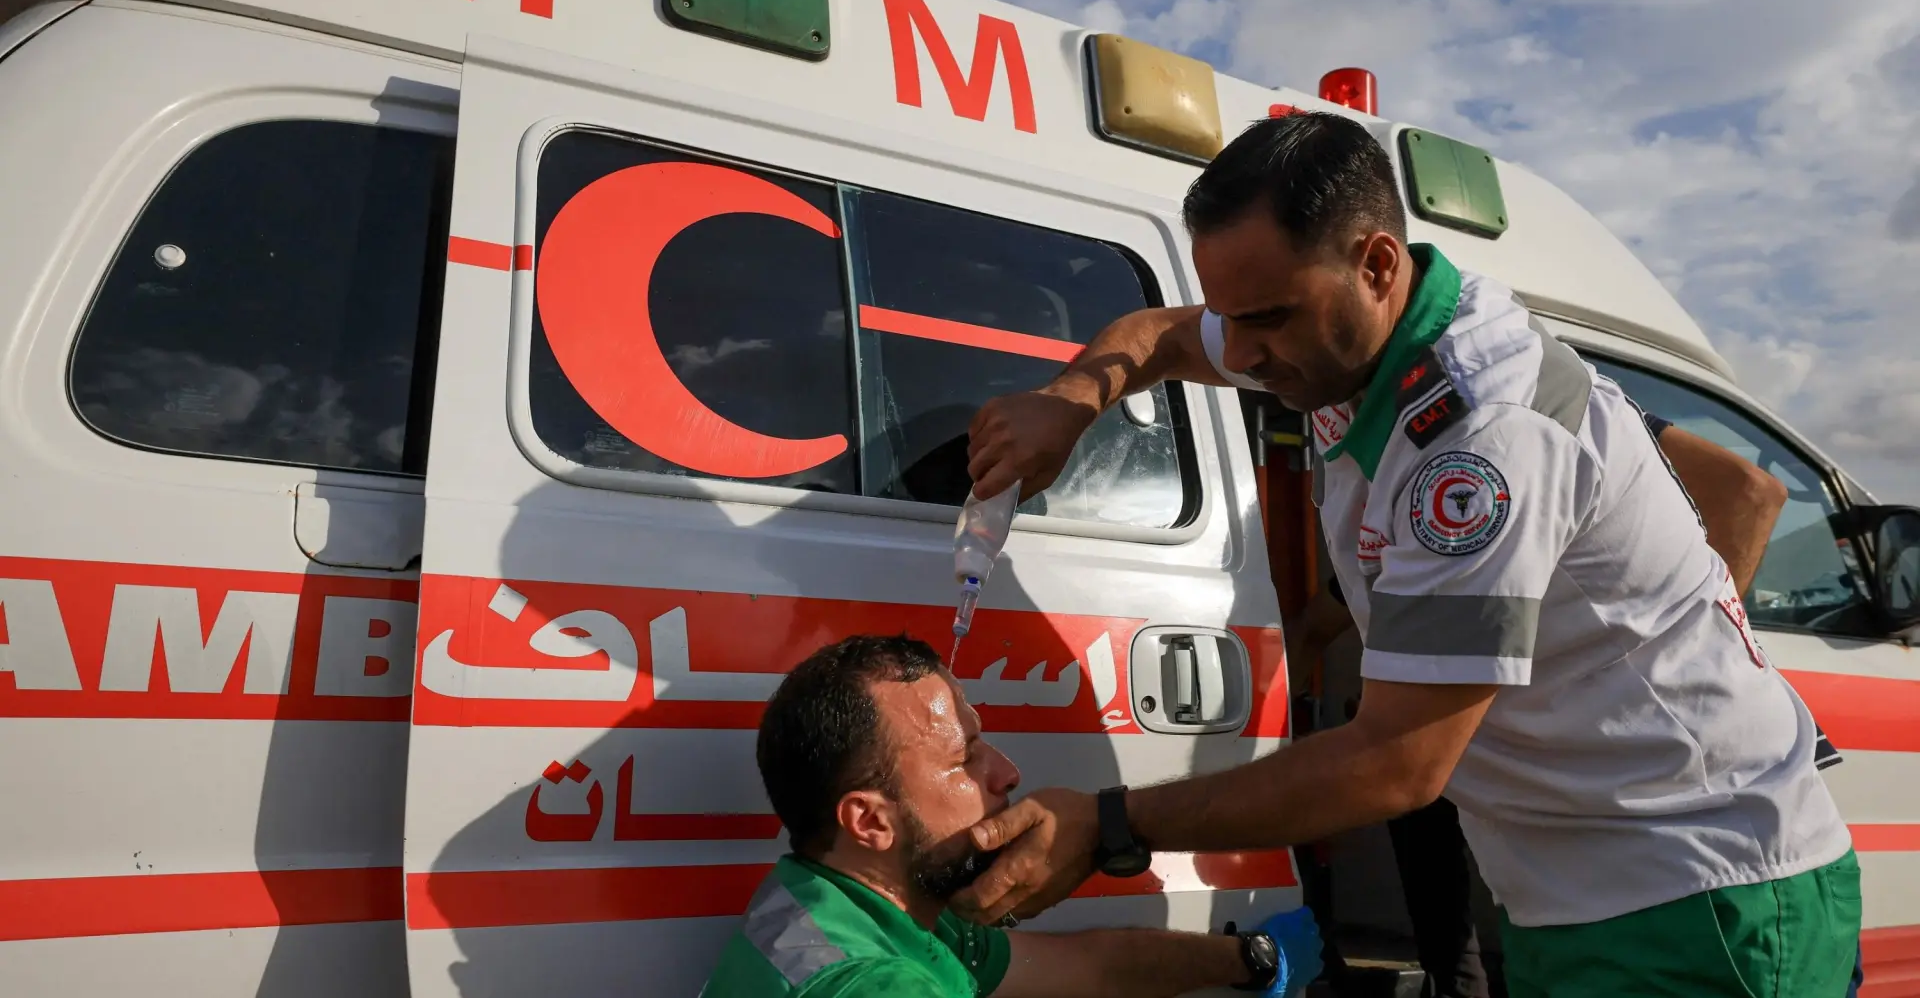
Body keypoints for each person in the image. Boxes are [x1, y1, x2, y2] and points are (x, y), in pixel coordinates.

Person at [955, 111, 1861, 997]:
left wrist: (1109, 824)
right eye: (1235, 318)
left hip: (1696, 899)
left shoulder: (1479, 436)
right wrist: (1072, 400)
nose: (1249, 355)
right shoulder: (1342, 337)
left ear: (1378, 264)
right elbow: (1169, 335)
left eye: (1268, 319)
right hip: (1580, 894)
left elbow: (1397, 761)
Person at [1288, 414, 1794, 998]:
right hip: (1560, 804)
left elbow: (1753, 491)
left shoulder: (1537, 397)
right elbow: (1326, 617)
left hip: (1670, 851)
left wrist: (1689, 639)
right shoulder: (1433, 469)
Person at [699, 634, 1324, 998]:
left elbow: (1095, 968)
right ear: (870, 822)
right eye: (963, 759)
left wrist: (1252, 958)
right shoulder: (875, 984)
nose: (1006, 773)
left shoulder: (848, 902)